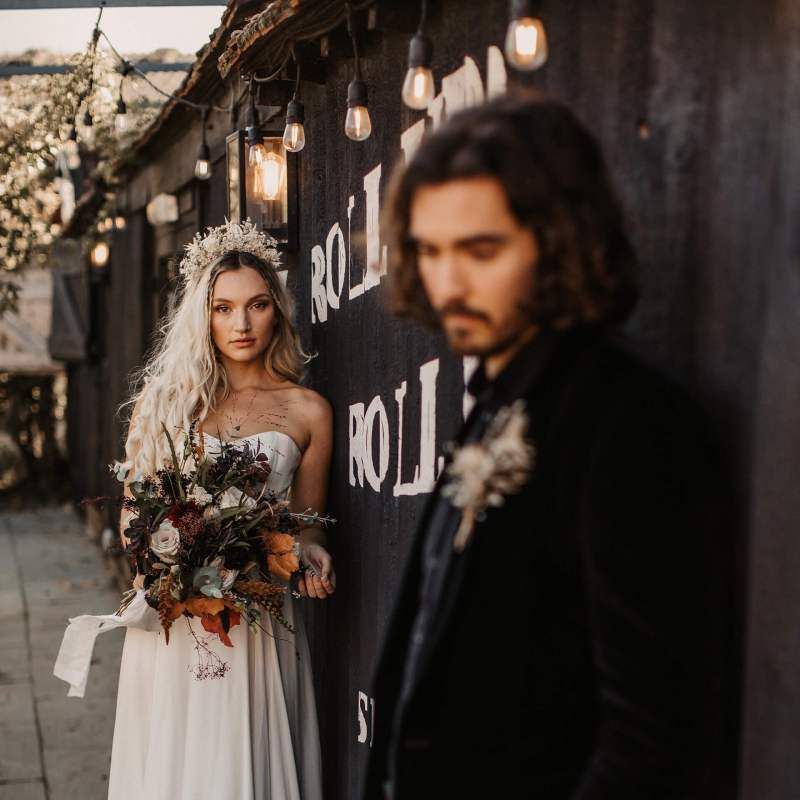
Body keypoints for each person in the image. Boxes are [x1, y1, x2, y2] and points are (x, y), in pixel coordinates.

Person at [362, 93, 735, 799]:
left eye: (481, 250)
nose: (448, 283)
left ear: (559, 240)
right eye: (429, 250)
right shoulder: (497, 402)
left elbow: (653, 739)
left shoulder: (627, 419)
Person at [110, 222, 334, 799]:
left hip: (257, 618)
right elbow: (133, 518)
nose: (242, 324)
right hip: (175, 618)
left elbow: (307, 526)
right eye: (224, 308)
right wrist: (173, 563)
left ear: (277, 311)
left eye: (257, 305)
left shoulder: (308, 410)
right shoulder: (166, 403)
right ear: (202, 317)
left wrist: (312, 556)